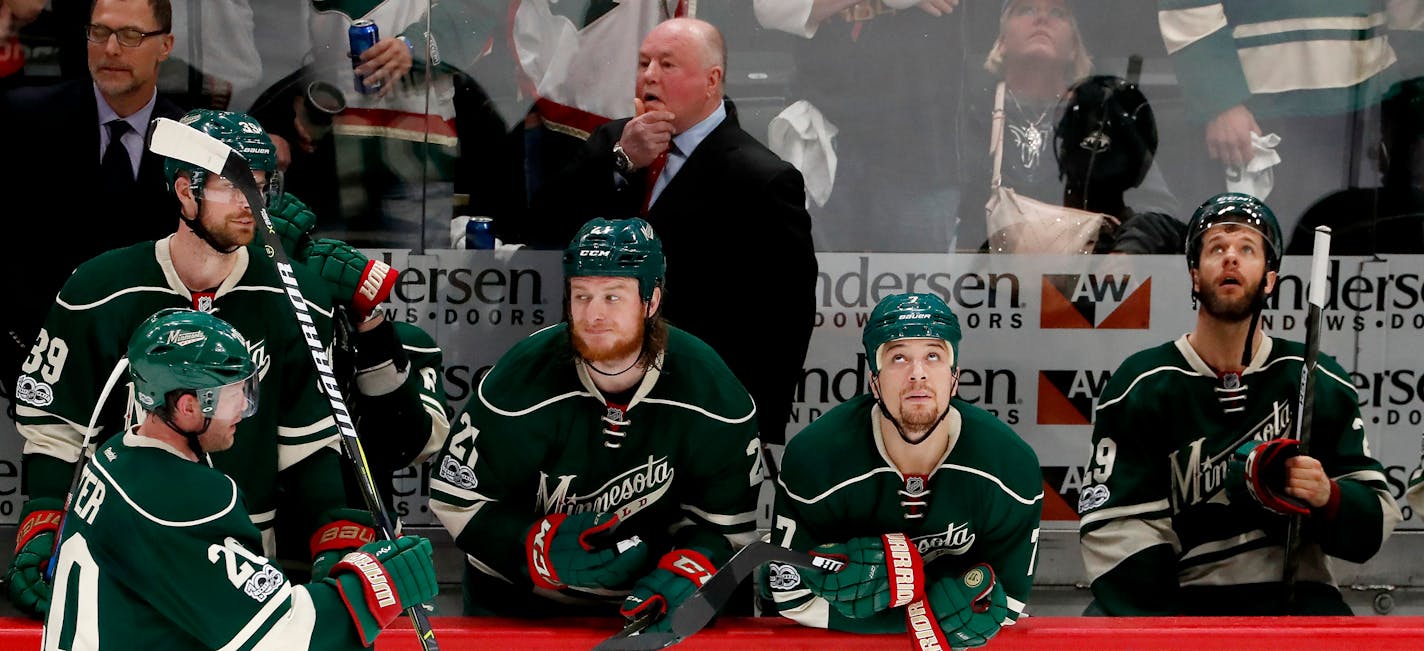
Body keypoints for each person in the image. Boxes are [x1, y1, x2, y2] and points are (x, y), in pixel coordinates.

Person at [7, 109, 376, 617]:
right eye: (232, 186)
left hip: (244, 563)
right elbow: (56, 432)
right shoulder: (98, 290)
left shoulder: (298, 298)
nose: (252, 203)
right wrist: (42, 527)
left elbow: (309, 448)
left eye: (262, 185)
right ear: (185, 192)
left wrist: (333, 538)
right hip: (119, 551)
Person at [1077, 192, 1402, 615]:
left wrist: (1328, 496)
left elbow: (1372, 529)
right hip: (1184, 601)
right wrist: (1179, 631)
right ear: (1195, 276)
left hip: (1298, 600)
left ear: (1269, 279)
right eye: (1216, 248)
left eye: (1247, 248)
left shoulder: (1316, 377)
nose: (1230, 258)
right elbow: (1115, 530)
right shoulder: (1142, 383)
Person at [429, 217, 762, 630]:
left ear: (651, 300)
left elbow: (727, 531)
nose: (593, 314)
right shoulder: (519, 382)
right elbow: (457, 500)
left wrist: (689, 569)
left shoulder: (712, 394)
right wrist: (535, 548)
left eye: (613, 296)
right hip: (522, 600)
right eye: (581, 295)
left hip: (649, 605)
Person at [39, 308, 437, 650]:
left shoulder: (116, 454)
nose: (245, 408)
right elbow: (283, 637)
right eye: (233, 393)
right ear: (188, 405)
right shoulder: (185, 501)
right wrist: (373, 586)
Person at [532, 17, 817, 452]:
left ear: (711, 80)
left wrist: (762, 427)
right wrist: (623, 161)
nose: (648, 76)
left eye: (667, 64)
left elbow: (785, 319)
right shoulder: (613, 142)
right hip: (592, 398)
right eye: (644, 63)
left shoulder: (763, 178)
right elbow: (544, 221)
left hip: (699, 408)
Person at [766, 293, 1041, 649]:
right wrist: (930, 622)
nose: (918, 374)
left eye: (933, 355)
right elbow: (791, 595)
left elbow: (1008, 604)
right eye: (898, 357)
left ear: (954, 376)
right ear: (874, 379)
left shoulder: (1010, 465)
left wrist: (910, 615)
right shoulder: (817, 457)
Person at [1, 0, 184, 408]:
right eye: (99, 33)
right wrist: (21, 355)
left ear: (166, 45)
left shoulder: (191, 144)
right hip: (40, 375)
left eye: (131, 35)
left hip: (159, 388)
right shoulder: (23, 122)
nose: (111, 49)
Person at [1156, 0, 1401, 245]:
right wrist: (1221, 101)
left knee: (1349, 252)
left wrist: (1410, 86)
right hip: (1255, 114)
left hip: (1368, 106)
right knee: (1253, 255)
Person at [957, 0, 1180, 252]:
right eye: (1026, 10)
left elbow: (1159, 209)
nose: (1041, 20)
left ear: (1075, 46)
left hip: (1081, 283)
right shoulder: (967, 111)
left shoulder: (1106, 117)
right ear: (1002, 40)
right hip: (981, 282)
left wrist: (1126, 252)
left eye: (1057, 13)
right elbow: (946, 207)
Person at [753, 0, 966, 252]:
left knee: (908, 285)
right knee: (823, 283)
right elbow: (770, 9)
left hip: (921, 141)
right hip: (827, 137)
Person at [1053, 75, 1186, 254]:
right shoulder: (1046, 145)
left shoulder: (1129, 142)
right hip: (1044, 259)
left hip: (1115, 259)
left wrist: (1128, 251)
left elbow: (1163, 214)